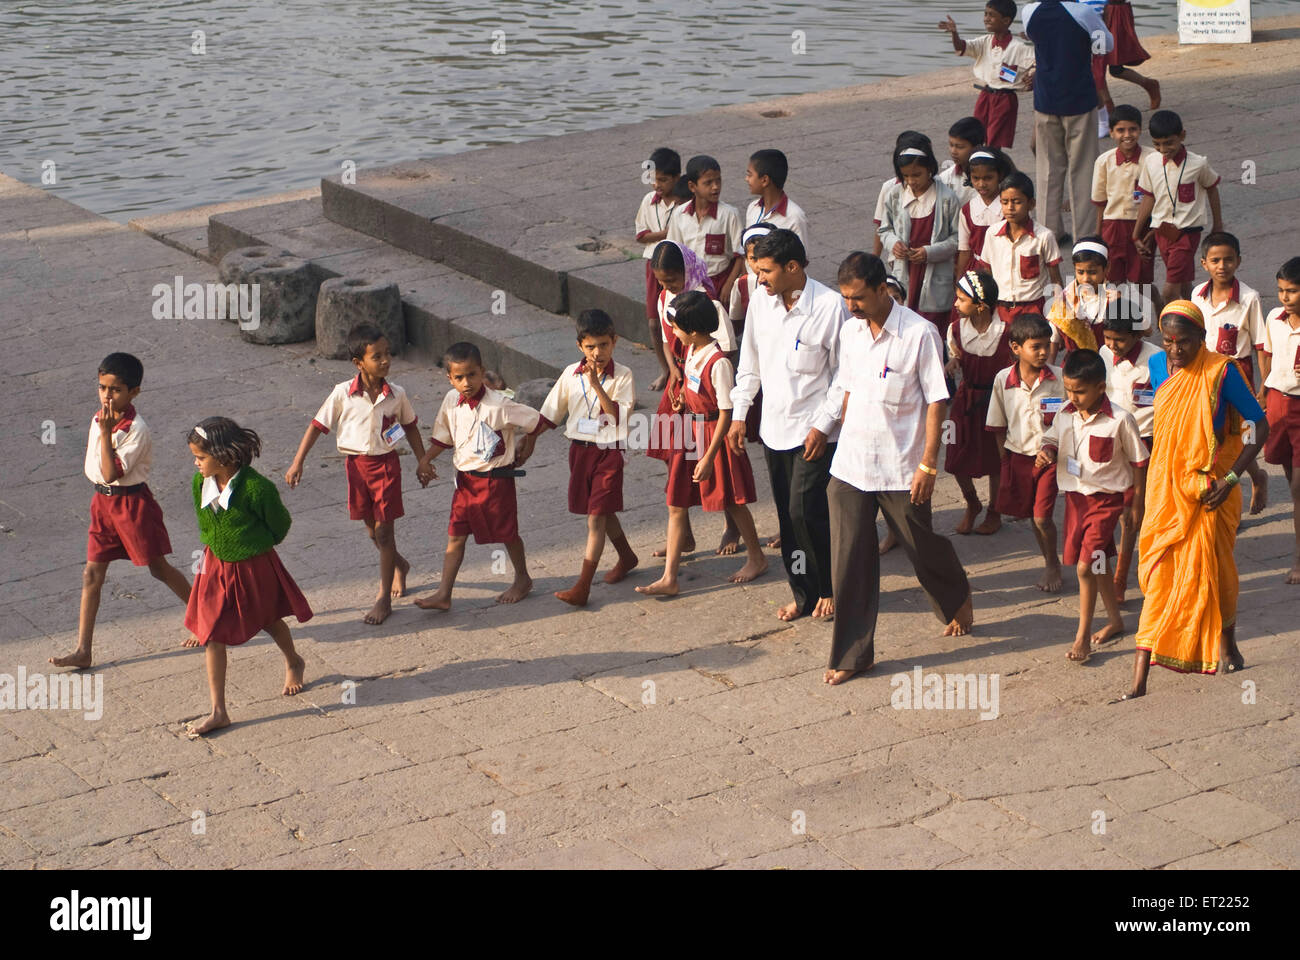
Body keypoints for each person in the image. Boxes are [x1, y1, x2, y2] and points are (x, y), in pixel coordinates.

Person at [823, 251, 974, 685]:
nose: (851, 306)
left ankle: (956, 594)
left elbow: (936, 400)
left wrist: (929, 464)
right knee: (849, 560)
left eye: (858, 298)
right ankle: (854, 654)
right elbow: (847, 389)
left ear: (882, 290)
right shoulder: (850, 333)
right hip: (852, 464)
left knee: (919, 545)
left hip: (901, 465)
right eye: (845, 298)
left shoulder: (919, 334)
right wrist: (828, 429)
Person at [1121, 301, 1267, 699]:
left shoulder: (1223, 371)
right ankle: (1140, 677)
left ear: (1201, 339)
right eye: (1168, 342)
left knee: (1218, 571)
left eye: (1183, 342)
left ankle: (1228, 643)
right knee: (1159, 573)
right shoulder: (1156, 368)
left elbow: (1259, 423)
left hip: (1212, 491)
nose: (1175, 351)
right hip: (1166, 491)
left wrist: (1234, 477)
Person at [728, 229, 847, 622]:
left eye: (765, 271)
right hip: (775, 430)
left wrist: (823, 426)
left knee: (806, 512)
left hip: (816, 434)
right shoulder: (761, 303)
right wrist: (739, 414)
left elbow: (844, 377)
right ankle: (802, 591)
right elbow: (750, 363)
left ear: (793, 267)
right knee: (787, 522)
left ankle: (831, 588)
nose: (759, 279)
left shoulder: (830, 307)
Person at [50, 353, 192, 669]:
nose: (107, 395)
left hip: (132, 505)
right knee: (91, 574)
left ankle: (205, 618)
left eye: (115, 390)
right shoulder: (99, 418)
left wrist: (105, 434)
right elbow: (100, 475)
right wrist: (102, 429)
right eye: (102, 387)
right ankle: (83, 650)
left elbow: (112, 472)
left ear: (134, 392)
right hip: (102, 505)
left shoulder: (136, 429)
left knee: (159, 569)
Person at [284, 323, 427, 625]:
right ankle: (399, 564)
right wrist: (298, 462)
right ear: (358, 363)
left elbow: (411, 427)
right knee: (372, 531)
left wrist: (422, 461)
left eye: (388, 353)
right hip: (356, 468)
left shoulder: (397, 394)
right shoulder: (342, 394)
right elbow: (316, 427)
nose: (386, 360)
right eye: (377, 356)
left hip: (386, 466)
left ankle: (383, 598)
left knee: (385, 532)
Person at [184, 417, 312, 737]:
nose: (196, 464)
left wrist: (253, 547)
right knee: (212, 633)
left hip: (253, 566)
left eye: (201, 457)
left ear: (225, 456)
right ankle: (219, 711)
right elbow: (205, 524)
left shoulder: (257, 489)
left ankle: (294, 660)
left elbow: (280, 524)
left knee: (269, 619)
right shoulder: (200, 483)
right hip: (216, 565)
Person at [637, 291, 766, 596]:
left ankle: (756, 557)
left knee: (733, 502)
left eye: (677, 328)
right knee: (675, 501)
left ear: (692, 330)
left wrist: (709, 456)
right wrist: (684, 401)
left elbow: (725, 411)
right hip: (690, 431)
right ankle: (669, 577)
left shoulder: (718, 362)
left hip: (712, 437)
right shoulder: (693, 352)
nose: (674, 333)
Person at [1036, 349, 1147, 663]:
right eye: (1069, 389)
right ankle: (1115, 619)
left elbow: (1139, 462)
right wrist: (1046, 451)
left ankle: (1082, 635)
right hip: (1075, 499)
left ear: (1101, 387)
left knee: (1085, 567)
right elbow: (1051, 439)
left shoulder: (1121, 420)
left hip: (1107, 502)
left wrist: (1136, 504)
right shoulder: (1065, 413)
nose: (1073, 396)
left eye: (1080, 391)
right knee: (1099, 563)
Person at [414, 342, 543, 610]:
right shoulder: (451, 400)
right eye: (459, 377)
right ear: (449, 378)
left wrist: (527, 444)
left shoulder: (499, 405)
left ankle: (522, 578)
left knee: (507, 533)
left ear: (482, 371)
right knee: (456, 535)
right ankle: (444, 593)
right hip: (464, 482)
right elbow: (444, 437)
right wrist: (426, 459)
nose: (466, 382)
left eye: (472, 375)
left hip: (496, 480)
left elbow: (536, 421)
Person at [535, 310, 638, 606]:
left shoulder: (623, 375)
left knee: (595, 519)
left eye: (604, 345)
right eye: (591, 347)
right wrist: (529, 440)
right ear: (580, 346)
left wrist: (596, 385)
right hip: (579, 452)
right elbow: (550, 413)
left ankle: (582, 586)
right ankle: (627, 556)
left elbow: (617, 416)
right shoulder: (570, 373)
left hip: (608, 453)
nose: (598, 352)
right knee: (601, 510)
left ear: (614, 342)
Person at [647, 240, 740, 556]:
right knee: (673, 457)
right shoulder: (664, 298)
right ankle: (682, 532)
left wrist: (700, 375)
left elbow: (725, 348)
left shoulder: (705, 303)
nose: (668, 286)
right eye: (662, 281)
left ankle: (732, 524)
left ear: (684, 272)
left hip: (704, 388)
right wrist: (673, 368)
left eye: (672, 280)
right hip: (679, 385)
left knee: (718, 461)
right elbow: (664, 339)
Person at [986, 313, 1066, 591]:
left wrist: (1055, 450)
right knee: (1032, 515)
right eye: (1036, 346)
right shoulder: (1002, 380)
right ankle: (1048, 558)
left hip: (1052, 459)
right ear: (1016, 347)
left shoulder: (1059, 379)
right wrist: (1004, 461)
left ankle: (1053, 564)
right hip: (1018, 457)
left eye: (1047, 345)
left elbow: (1071, 420)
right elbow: (997, 426)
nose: (1044, 352)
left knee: (1043, 516)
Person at [1023, 0, 1113, 246]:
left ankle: (1049, 231)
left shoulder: (1030, 12)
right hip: (1078, 99)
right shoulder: (1083, 12)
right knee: (1083, 169)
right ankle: (1083, 234)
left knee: (1048, 169)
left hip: (1045, 99)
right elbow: (1105, 45)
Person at [1191, 231, 1268, 513]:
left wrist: (1262, 388)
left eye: (1228, 260)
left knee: (1247, 435)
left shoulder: (1249, 298)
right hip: (1206, 374)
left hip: (1240, 374)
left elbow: (1261, 344)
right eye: (1215, 260)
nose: (1222, 266)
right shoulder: (1196, 295)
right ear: (1204, 264)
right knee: (1217, 434)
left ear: (1238, 261)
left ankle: (1256, 477)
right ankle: (1234, 490)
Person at [1100, 301, 1160, 602]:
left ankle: (1122, 577)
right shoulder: (1103, 355)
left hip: (1146, 443)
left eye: (1119, 340)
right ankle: (1108, 573)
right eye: (1107, 338)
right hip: (1109, 442)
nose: (1112, 345)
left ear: (1137, 335)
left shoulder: (1157, 360)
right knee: (1107, 508)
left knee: (1132, 513)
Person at [1133, 109, 1223, 305]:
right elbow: (1148, 196)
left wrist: (1218, 224)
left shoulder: (1198, 164)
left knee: (1169, 291)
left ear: (1182, 136)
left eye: (1169, 143)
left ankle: (1172, 329)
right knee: (1183, 284)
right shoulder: (1151, 162)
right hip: (1162, 232)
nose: (1163, 149)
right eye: (1157, 144)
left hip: (1186, 234)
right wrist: (1136, 232)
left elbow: (1212, 188)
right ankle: (1202, 318)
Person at [946, 269, 1011, 535]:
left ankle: (994, 510)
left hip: (995, 402)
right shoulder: (955, 329)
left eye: (961, 299)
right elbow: (956, 355)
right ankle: (972, 502)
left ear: (980, 306)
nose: (955, 304)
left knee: (996, 458)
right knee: (954, 455)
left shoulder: (1006, 332)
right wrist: (953, 361)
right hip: (966, 401)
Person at [878, 139, 961, 333]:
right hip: (905, 269)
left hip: (935, 273)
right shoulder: (895, 195)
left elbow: (957, 239)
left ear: (930, 169)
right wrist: (894, 243)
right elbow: (884, 229)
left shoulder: (947, 199)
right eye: (906, 176)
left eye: (917, 175)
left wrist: (929, 252)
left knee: (932, 324)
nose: (912, 181)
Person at [938, 1, 1035, 149]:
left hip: (1004, 99)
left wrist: (1034, 74)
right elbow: (962, 47)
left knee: (994, 140)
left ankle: (993, 165)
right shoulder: (985, 42)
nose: (986, 18)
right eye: (985, 14)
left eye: (991, 15)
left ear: (1006, 21)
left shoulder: (1018, 48)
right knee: (976, 135)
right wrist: (954, 33)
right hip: (985, 96)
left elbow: (1038, 61)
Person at [1259, 258, 1300, 585]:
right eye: (1281, 291)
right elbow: (1268, 353)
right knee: (1290, 480)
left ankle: (1299, 559)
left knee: (1299, 488)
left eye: (1292, 291)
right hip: (1277, 402)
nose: (1285, 298)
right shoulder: (1274, 317)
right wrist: (1263, 387)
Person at [1091, 104, 1156, 301]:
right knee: (1113, 279)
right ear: (1111, 133)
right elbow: (1101, 202)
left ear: (1140, 130)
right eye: (1120, 130)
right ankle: (1117, 325)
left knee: (1142, 281)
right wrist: (1098, 233)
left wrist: (1154, 231)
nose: (1127, 135)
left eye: (1132, 129)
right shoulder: (1104, 161)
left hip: (1143, 225)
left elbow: (1160, 197)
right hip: (1112, 226)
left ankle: (1148, 321)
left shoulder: (1152, 158)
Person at [984, 171, 1064, 327]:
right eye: (1005, 202)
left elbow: (1055, 280)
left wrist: (1059, 315)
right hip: (1000, 309)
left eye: (1016, 202)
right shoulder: (992, 234)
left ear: (1031, 204)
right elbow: (987, 273)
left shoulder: (1044, 236)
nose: (1010, 207)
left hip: (1033, 309)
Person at [635, 147, 684, 392]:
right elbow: (641, 236)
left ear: (676, 178)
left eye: (663, 180)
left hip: (677, 264)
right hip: (653, 264)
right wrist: (667, 234)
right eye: (654, 180)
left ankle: (681, 369)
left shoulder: (684, 203)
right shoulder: (648, 202)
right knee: (654, 323)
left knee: (678, 318)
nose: (657, 185)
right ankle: (665, 369)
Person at [667, 154, 744, 304]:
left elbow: (740, 255)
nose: (715, 187)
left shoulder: (730, 214)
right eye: (708, 183)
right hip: (690, 284)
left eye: (718, 180)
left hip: (720, 282)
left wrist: (729, 285)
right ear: (692, 186)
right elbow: (674, 251)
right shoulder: (679, 214)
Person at [1048, 237, 1121, 362]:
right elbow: (1053, 340)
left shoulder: (1114, 298)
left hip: (1107, 365)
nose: (1086, 278)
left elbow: (1137, 333)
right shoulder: (1065, 300)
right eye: (1080, 272)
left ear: (1106, 268)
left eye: (1092, 272)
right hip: (1074, 367)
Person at [872, 131, 934, 258]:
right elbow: (882, 227)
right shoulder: (890, 189)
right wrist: (875, 258)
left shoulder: (940, 190)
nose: (911, 181)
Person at [955, 148, 1014, 278]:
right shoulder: (967, 210)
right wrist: (959, 278)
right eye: (976, 178)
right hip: (976, 272)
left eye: (988, 178)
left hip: (1005, 269)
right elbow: (964, 250)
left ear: (1000, 175)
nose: (981, 184)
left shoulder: (1010, 208)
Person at [744, 149, 810, 252]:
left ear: (765, 180)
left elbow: (801, 259)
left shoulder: (794, 217)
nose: (746, 179)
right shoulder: (753, 208)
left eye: (750, 175)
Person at [1102, 0, 1160, 109]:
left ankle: (1148, 84)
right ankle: (1107, 106)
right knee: (1096, 67)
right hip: (1089, 11)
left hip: (1113, 11)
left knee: (1115, 68)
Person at [937, 116, 987, 205]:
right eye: (951, 145)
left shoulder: (993, 176)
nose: (953, 151)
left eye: (960, 147)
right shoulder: (945, 179)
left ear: (977, 147)